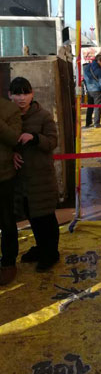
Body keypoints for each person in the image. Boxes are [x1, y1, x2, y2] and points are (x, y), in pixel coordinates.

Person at [9, 77, 60, 272]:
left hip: (41, 177)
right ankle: (41, 248)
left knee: (46, 217)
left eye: (25, 93)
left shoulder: (43, 116)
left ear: (32, 94)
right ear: (10, 95)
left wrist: (35, 137)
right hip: (20, 179)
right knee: (31, 215)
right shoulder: (9, 117)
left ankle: (51, 253)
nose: (21, 98)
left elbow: (52, 141)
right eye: (17, 94)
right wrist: (12, 154)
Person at [0, 92, 22, 285]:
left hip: (3, 175)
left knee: (6, 220)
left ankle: (8, 262)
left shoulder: (10, 109)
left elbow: (15, 138)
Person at [83, 54, 101, 128]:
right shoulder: (98, 69)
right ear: (99, 61)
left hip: (89, 90)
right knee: (97, 107)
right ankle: (96, 123)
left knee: (90, 106)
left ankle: (88, 122)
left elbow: (85, 78)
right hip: (97, 90)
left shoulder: (87, 67)